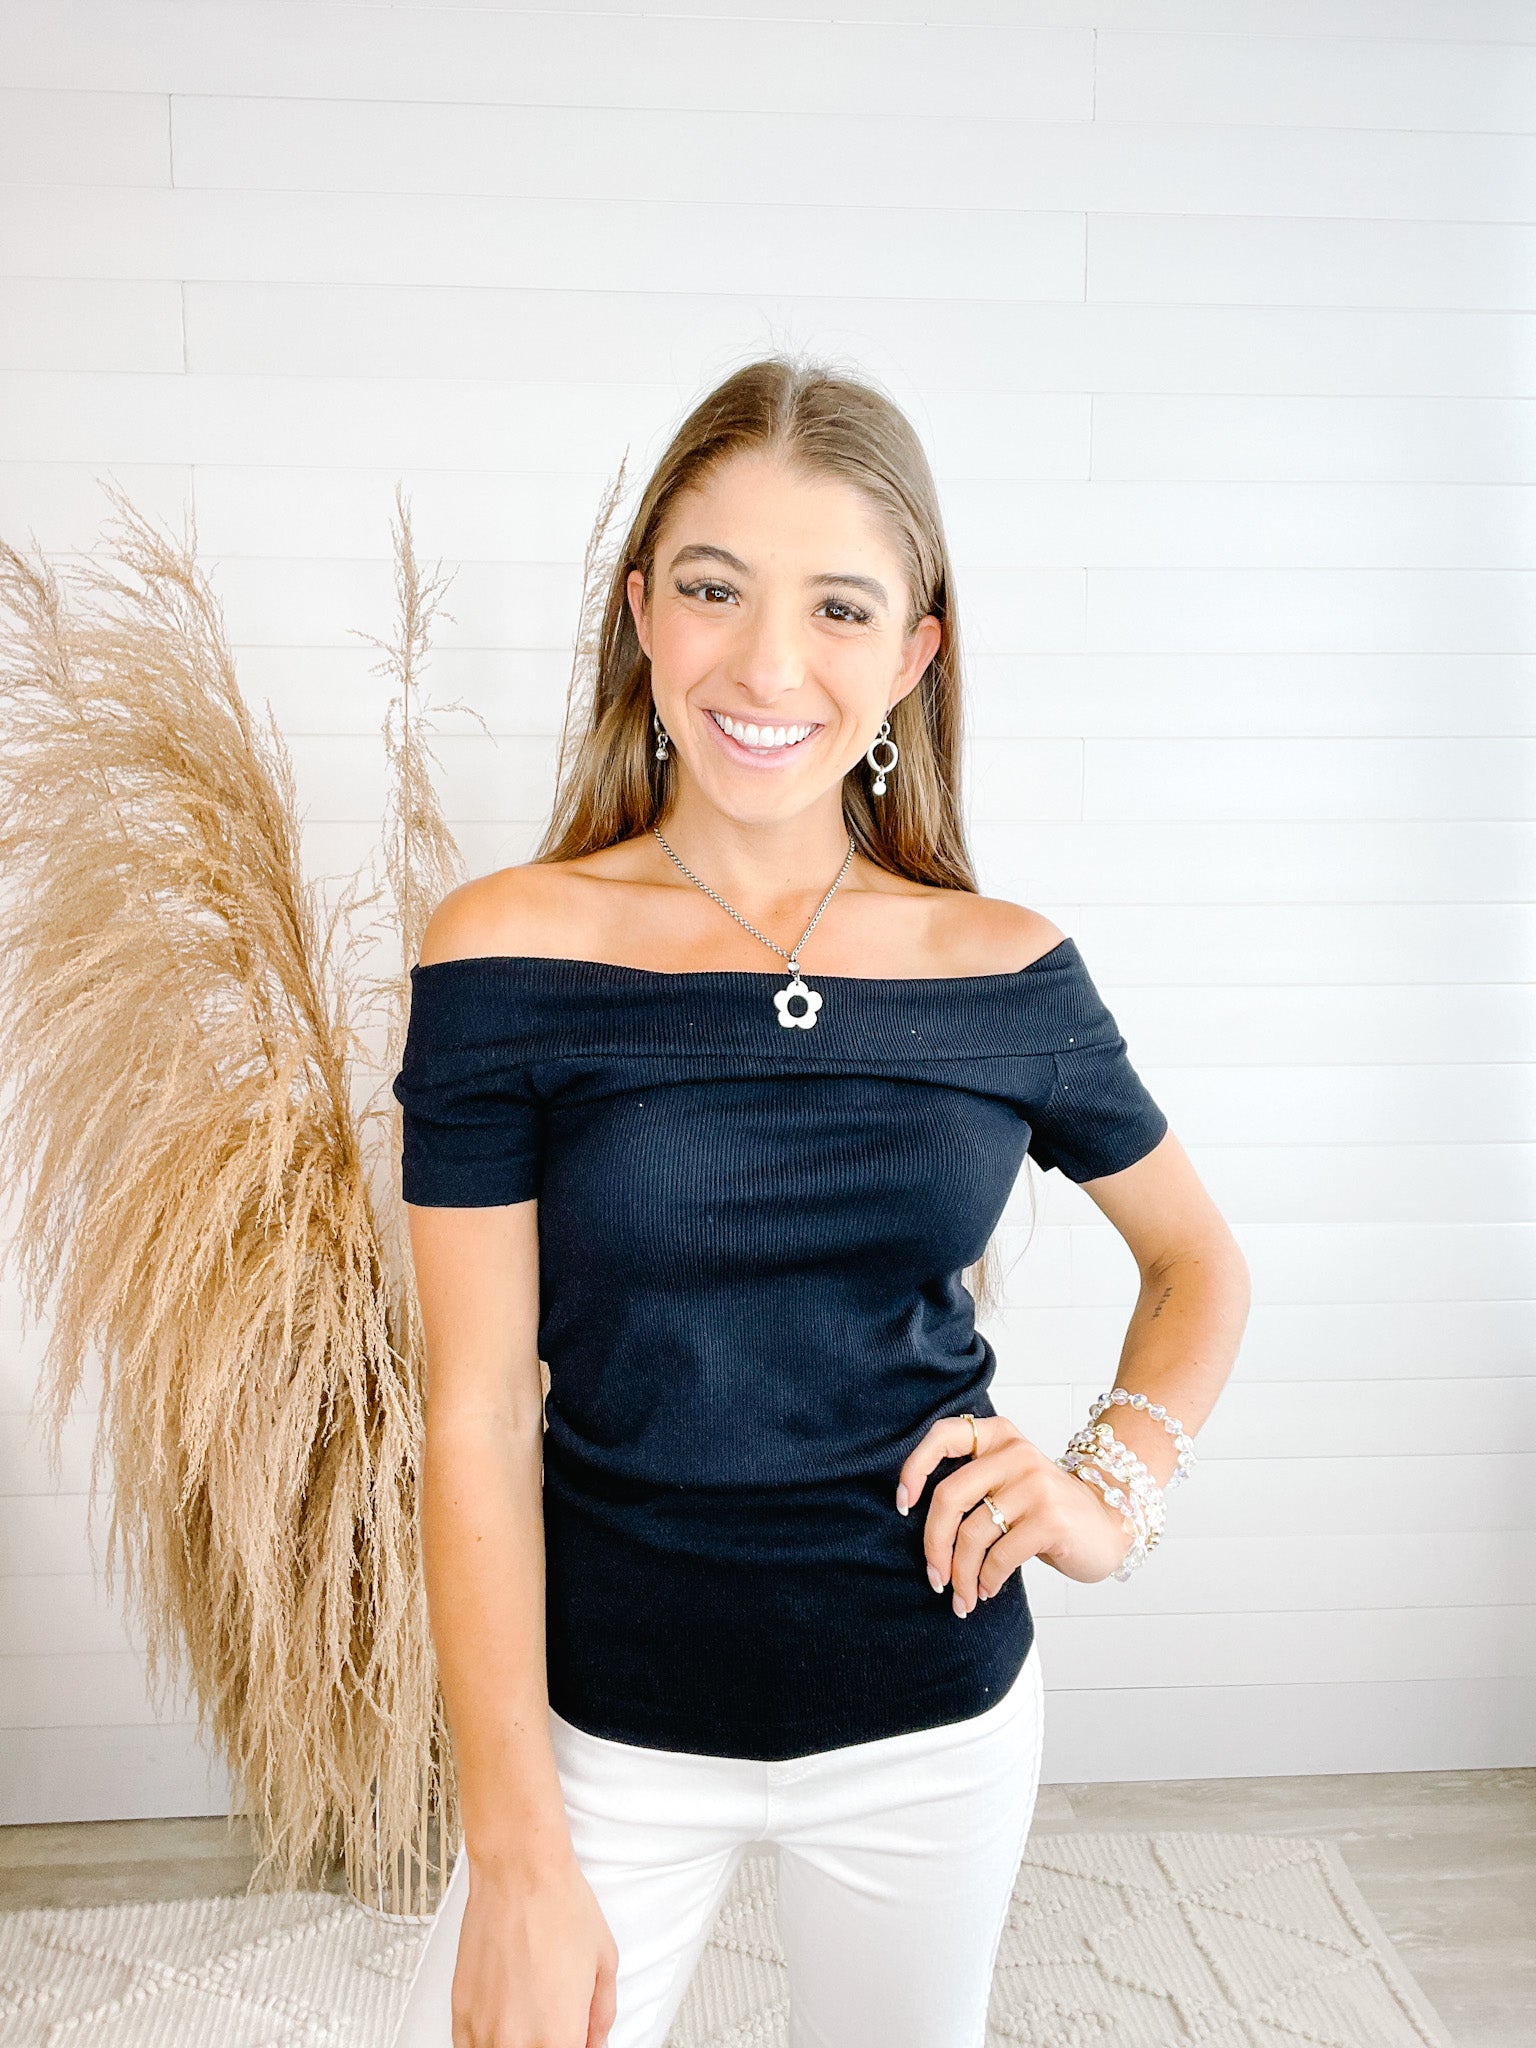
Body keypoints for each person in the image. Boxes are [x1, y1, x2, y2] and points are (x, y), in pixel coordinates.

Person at [387, 355, 1251, 2048]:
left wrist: (1106, 1497)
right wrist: (515, 1855)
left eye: (840, 608)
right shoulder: (502, 954)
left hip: (934, 1710)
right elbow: (473, 1411)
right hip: (607, 1733)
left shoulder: (1004, 971)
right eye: (715, 589)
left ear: (915, 655)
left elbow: (1197, 1263)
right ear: (643, 612)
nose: (769, 664)